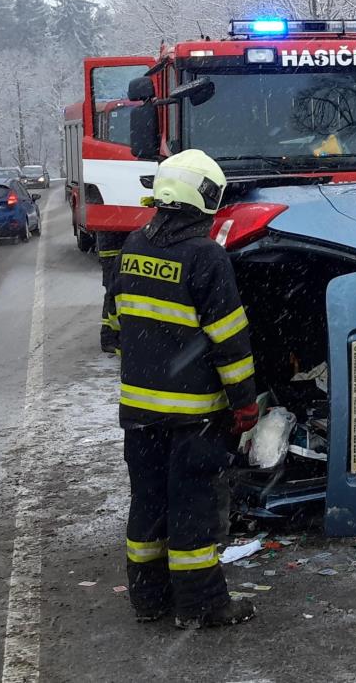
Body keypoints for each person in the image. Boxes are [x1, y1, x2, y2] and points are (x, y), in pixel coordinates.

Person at [106, 148, 259, 630]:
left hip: (138, 411)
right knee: (192, 508)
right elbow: (229, 340)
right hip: (196, 417)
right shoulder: (206, 256)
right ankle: (203, 604)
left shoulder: (133, 245)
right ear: (203, 198)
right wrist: (244, 403)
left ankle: (149, 599)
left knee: (148, 503)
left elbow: (112, 329)